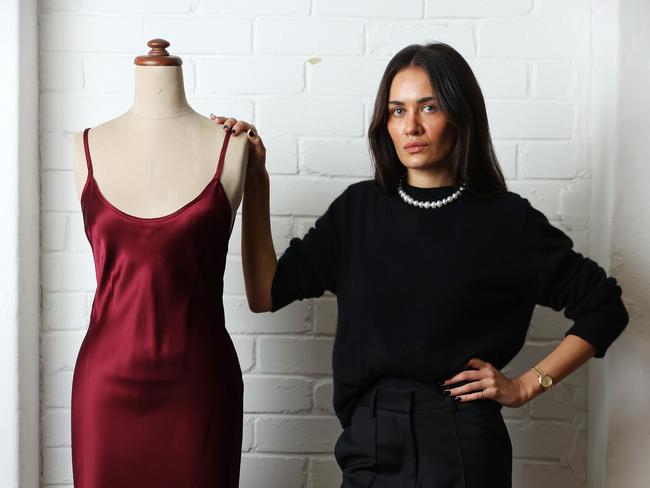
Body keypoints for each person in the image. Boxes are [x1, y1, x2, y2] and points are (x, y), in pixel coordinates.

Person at [211, 42, 629, 487]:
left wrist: (527, 385)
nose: (411, 125)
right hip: (370, 438)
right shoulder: (358, 212)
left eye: (428, 107)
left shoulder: (506, 220)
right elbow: (264, 293)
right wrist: (256, 181)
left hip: (462, 440)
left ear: (460, 114)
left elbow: (604, 307)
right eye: (396, 111)